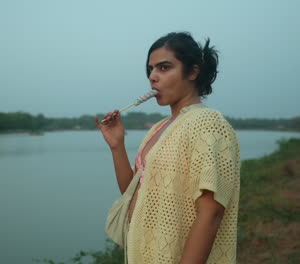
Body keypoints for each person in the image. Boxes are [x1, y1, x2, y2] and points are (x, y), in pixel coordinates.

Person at [94, 32, 240, 264]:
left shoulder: (207, 123)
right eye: (150, 70)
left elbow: (211, 214)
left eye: (164, 68)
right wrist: (117, 146)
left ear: (193, 71)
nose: (152, 77)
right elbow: (132, 194)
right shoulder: (159, 128)